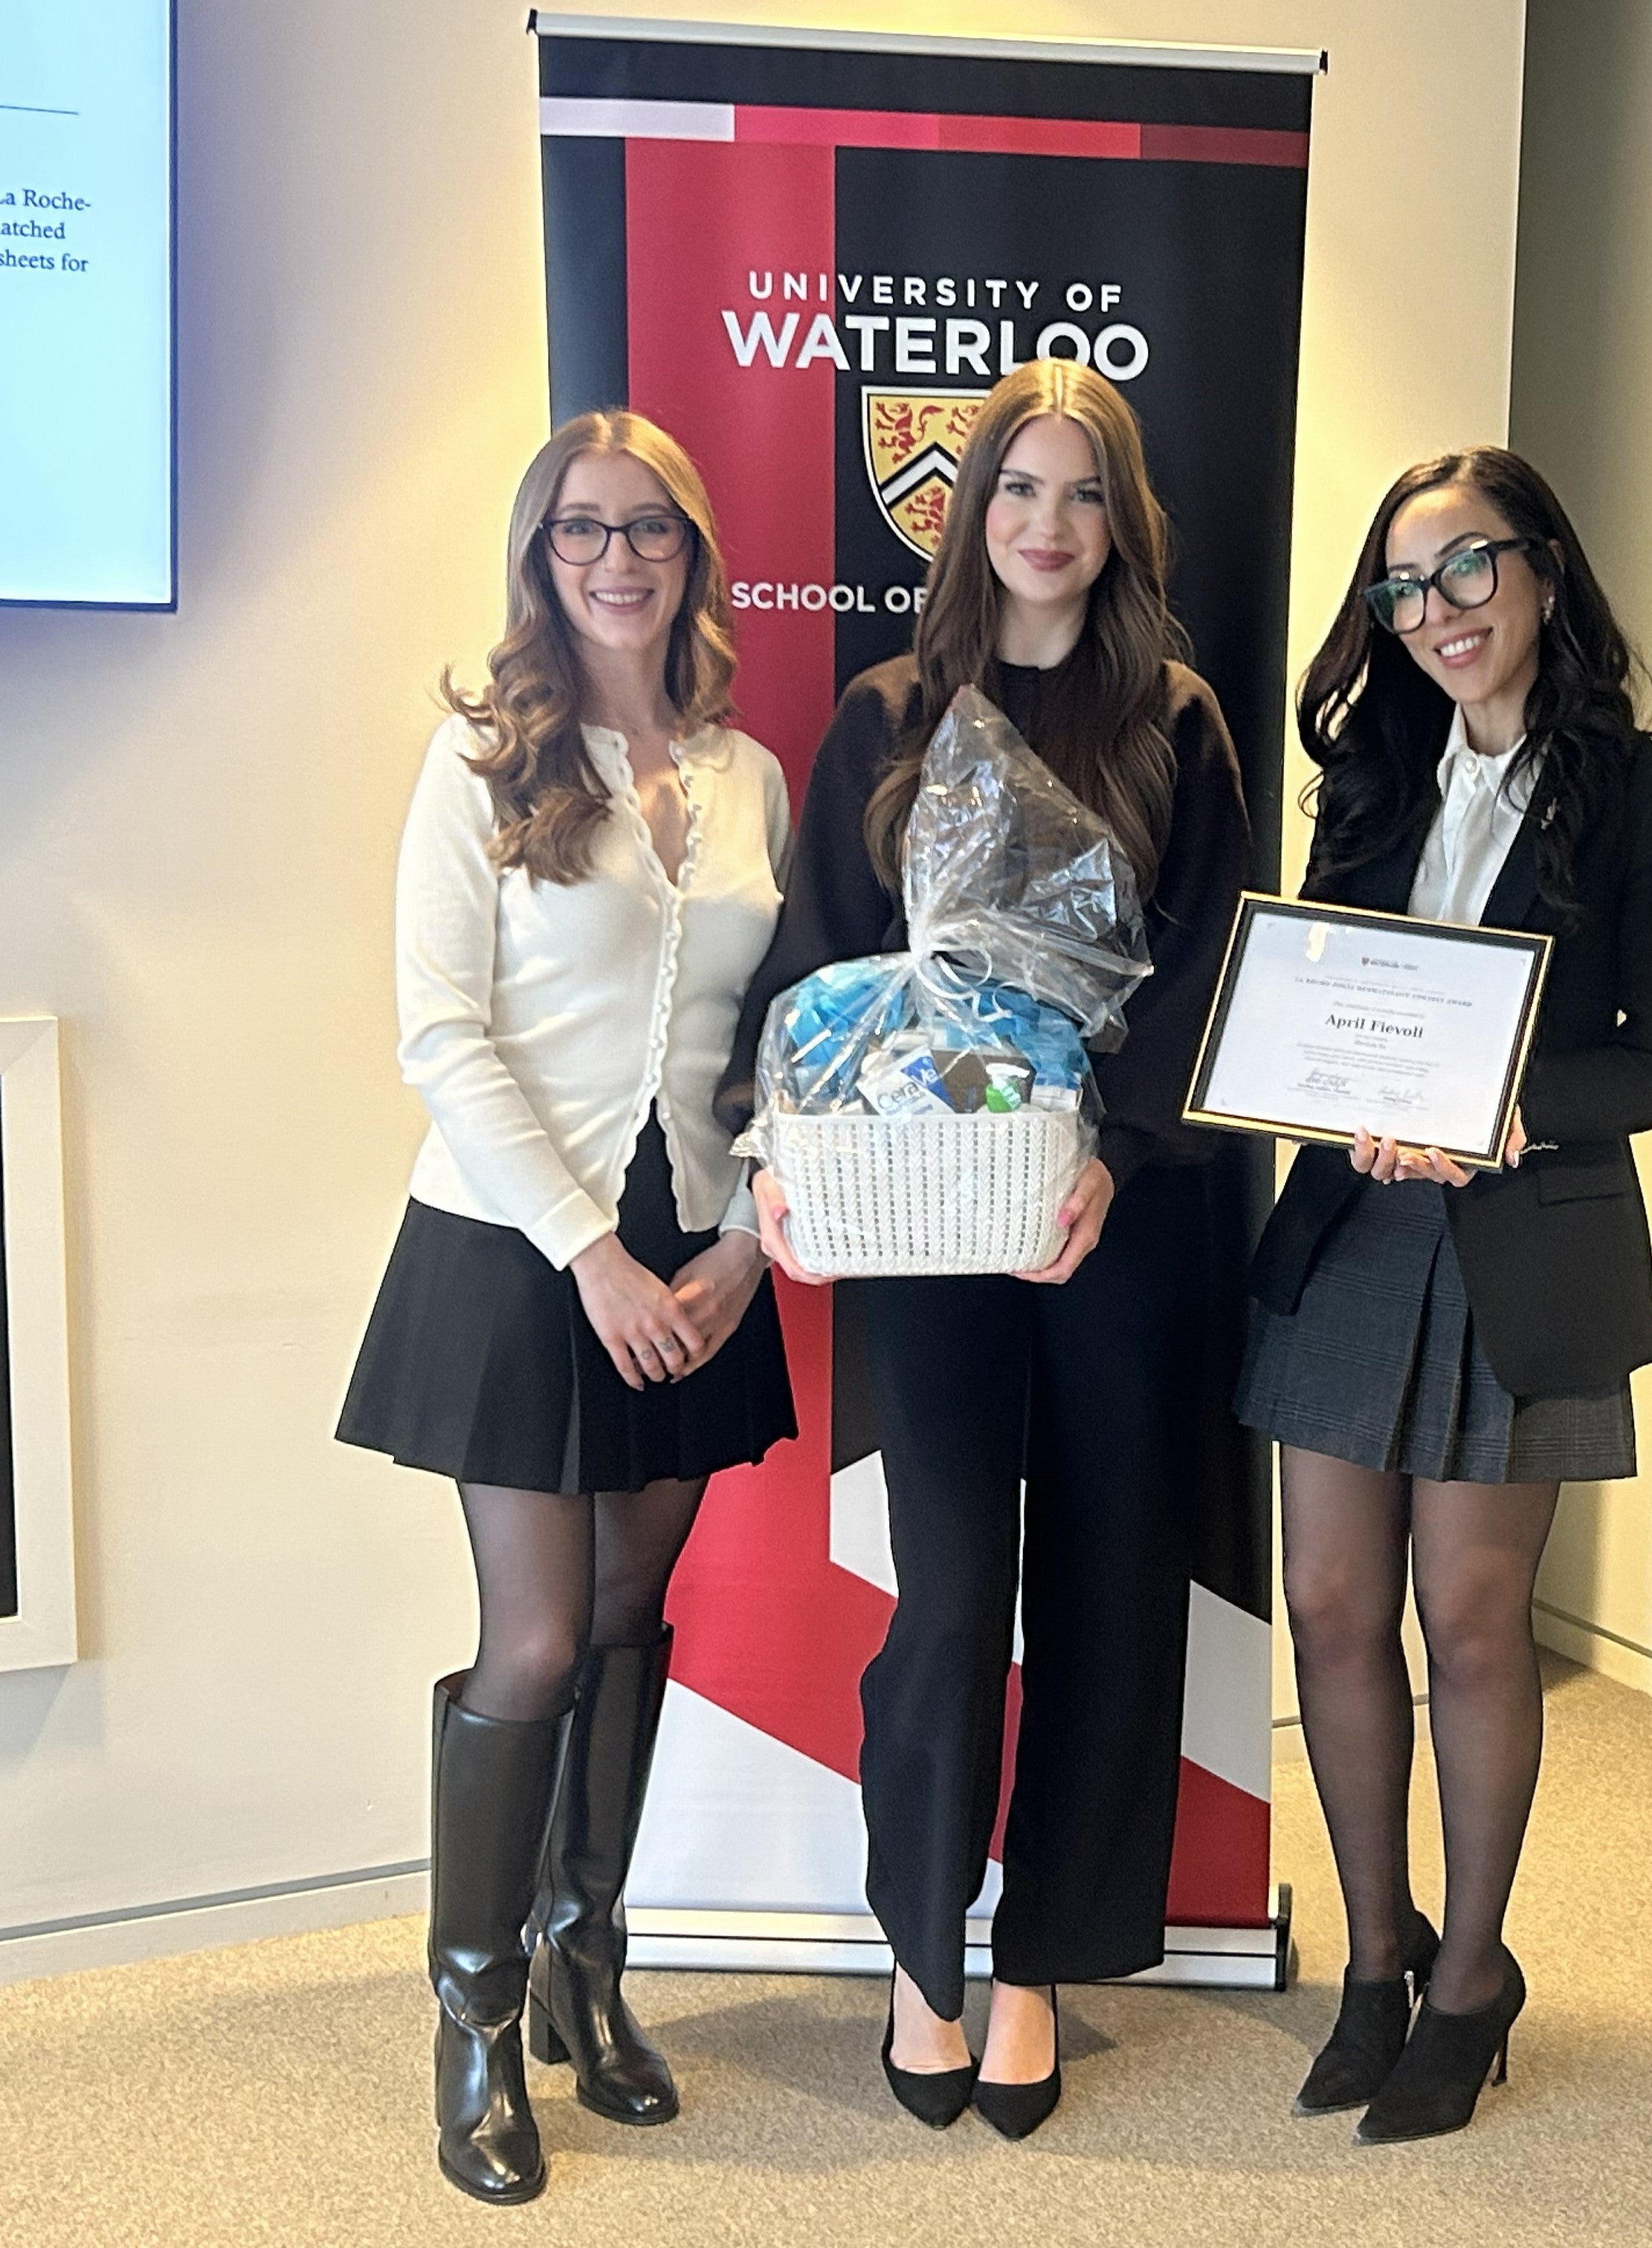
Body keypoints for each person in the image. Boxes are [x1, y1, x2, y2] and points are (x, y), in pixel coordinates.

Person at [723, 359, 1252, 2139]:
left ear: (1122, 522)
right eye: (1015, 489)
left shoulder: (1177, 718)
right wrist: (777, 1147)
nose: (1045, 524)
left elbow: (1202, 984)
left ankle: (1039, 1954)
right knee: (950, 1596)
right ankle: (923, 1950)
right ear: (962, 513)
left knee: (1109, 1589)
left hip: (1117, 1221)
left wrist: (1115, 1149)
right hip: (923, 1218)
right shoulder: (885, 712)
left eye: (1080, 493)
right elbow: (816, 961)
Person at [336, 410, 796, 2205]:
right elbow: (439, 1032)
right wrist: (587, 1256)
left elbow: (781, 1034)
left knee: (629, 1608)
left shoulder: (752, 772)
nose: (619, 558)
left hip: (700, 1248)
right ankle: (468, 2024)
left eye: (651, 528)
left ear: (693, 551)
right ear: (541, 557)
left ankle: (579, 1969)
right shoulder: (480, 763)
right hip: (526, 1256)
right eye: (582, 530)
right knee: (533, 1637)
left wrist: (744, 1241)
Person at [1239, 448, 1652, 2143]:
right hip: (1358, 1233)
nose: (1436, 613)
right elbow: (1325, 1006)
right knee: (1330, 1606)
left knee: (1468, 1622)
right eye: (1403, 587)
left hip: (1521, 1239)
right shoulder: (1367, 781)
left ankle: (1474, 1979)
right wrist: (1329, 1092)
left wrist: (1516, 1115)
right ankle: (1381, 1960)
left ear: (1542, 572)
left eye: (1466, 572)